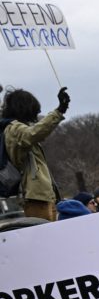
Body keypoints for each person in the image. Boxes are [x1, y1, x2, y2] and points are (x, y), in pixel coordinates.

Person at [2, 87, 70, 221]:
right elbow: (33, 133)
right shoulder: (13, 128)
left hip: (41, 195)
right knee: (44, 236)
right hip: (35, 195)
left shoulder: (15, 128)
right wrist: (59, 111)